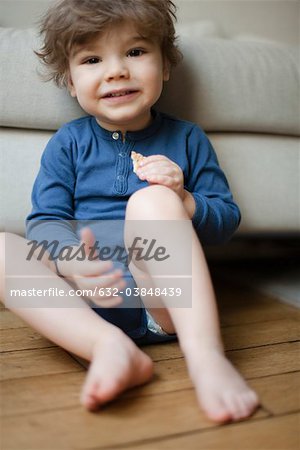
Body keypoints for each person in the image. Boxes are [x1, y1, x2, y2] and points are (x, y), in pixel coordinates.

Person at [0, 0, 259, 422]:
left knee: (153, 199)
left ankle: (207, 359)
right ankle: (108, 347)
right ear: (70, 81)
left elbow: (224, 220)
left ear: (166, 66)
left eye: (135, 52)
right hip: (86, 305)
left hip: (163, 306)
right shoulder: (69, 143)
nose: (117, 70)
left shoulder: (187, 138)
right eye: (92, 59)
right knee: (1, 250)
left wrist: (185, 198)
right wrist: (69, 261)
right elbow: (45, 220)